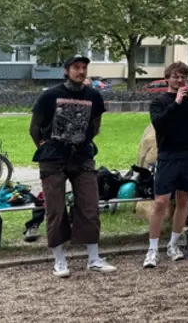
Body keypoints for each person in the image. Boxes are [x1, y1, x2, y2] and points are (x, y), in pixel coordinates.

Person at [28, 55, 115, 277]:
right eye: (76, 67)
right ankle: (59, 260)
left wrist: (82, 141)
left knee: (89, 206)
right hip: (53, 158)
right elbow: (34, 127)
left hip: (82, 157)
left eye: (84, 67)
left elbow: (95, 126)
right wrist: (44, 145)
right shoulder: (50, 96)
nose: (81, 71)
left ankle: (94, 258)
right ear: (66, 70)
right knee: (55, 209)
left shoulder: (94, 96)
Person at [143, 62, 188, 268]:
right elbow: (160, 123)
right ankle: (152, 249)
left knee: (184, 199)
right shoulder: (159, 101)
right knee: (160, 201)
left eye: (183, 76)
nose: (180, 80)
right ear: (167, 79)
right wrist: (176, 102)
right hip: (168, 156)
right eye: (175, 76)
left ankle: (173, 244)